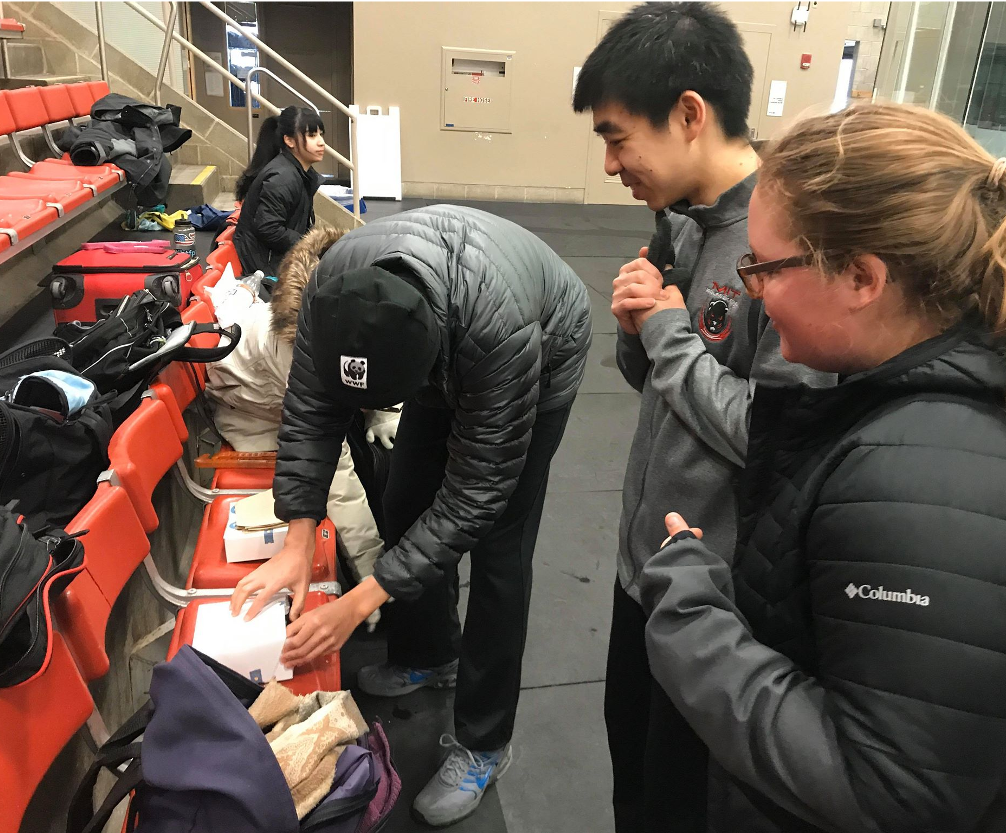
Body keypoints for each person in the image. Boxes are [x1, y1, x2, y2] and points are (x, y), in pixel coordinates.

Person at [640, 103, 1006, 832]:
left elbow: (887, 794)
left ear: (862, 276)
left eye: (764, 267)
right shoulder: (933, 405)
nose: (752, 288)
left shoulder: (935, 478)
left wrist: (688, 604)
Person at [229, 205, 593, 827]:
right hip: (453, 326)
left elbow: (475, 496)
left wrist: (361, 600)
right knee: (402, 499)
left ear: (429, 364)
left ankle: (484, 742)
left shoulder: (497, 333)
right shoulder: (329, 298)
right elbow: (313, 416)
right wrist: (295, 541)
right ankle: (432, 653)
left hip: (541, 343)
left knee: (502, 547)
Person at [571, 3, 832, 830]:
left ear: (689, 114)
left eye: (618, 138)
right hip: (640, 572)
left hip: (716, 600)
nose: (611, 164)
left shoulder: (785, 245)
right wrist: (638, 332)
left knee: (680, 803)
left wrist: (669, 334)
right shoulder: (680, 225)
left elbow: (773, 438)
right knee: (633, 785)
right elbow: (659, 381)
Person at [205, 226, 393, 592]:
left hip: (273, 387)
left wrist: (385, 410)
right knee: (336, 475)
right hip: (251, 414)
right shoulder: (297, 351)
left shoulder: (340, 314)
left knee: (376, 456)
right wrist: (372, 571)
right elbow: (329, 464)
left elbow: (381, 354)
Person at [233, 106, 325, 276]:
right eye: (312, 135)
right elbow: (269, 228)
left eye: (320, 134)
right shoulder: (283, 178)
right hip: (264, 266)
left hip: (275, 257)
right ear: (289, 141)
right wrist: (310, 244)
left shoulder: (299, 173)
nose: (321, 142)